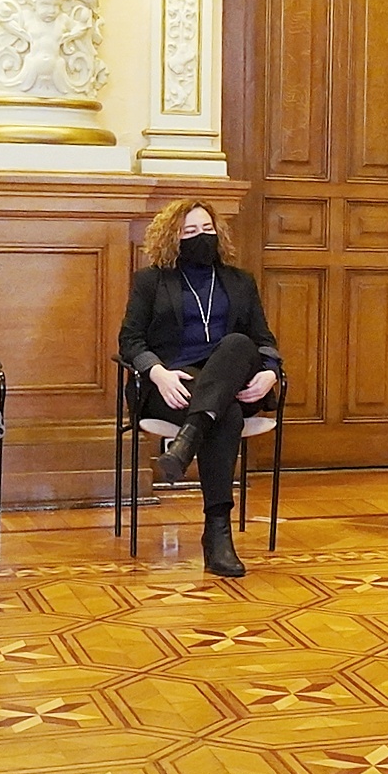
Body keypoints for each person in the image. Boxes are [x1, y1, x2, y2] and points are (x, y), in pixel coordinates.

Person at [118, 200, 281, 577]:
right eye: (190, 231)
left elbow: (263, 340)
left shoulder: (240, 281)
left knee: (238, 343)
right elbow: (130, 341)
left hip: (232, 378)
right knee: (226, 416)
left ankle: (187, 440)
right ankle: (217, 534)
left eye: (207, 229)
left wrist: (270, 373)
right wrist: (157, 372)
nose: (201, 237)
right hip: (173, 384)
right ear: (171, 237)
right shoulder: (151, 281)